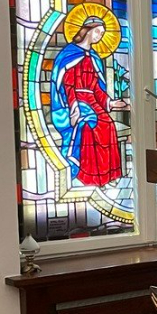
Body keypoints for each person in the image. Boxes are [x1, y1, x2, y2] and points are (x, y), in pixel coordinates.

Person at [50, 15, 126, 186]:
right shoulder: (70, 54)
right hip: (73, 101)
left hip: (92, 101)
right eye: (98, 31)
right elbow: (66, 84)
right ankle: (88, 175)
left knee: (108, 124)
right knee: (90, 124)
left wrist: (110, 102)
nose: (100, 35)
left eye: (102, 33)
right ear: (88, 30)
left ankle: (106, 176)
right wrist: (74, 107)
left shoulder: (94, 57)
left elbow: (97, 88)